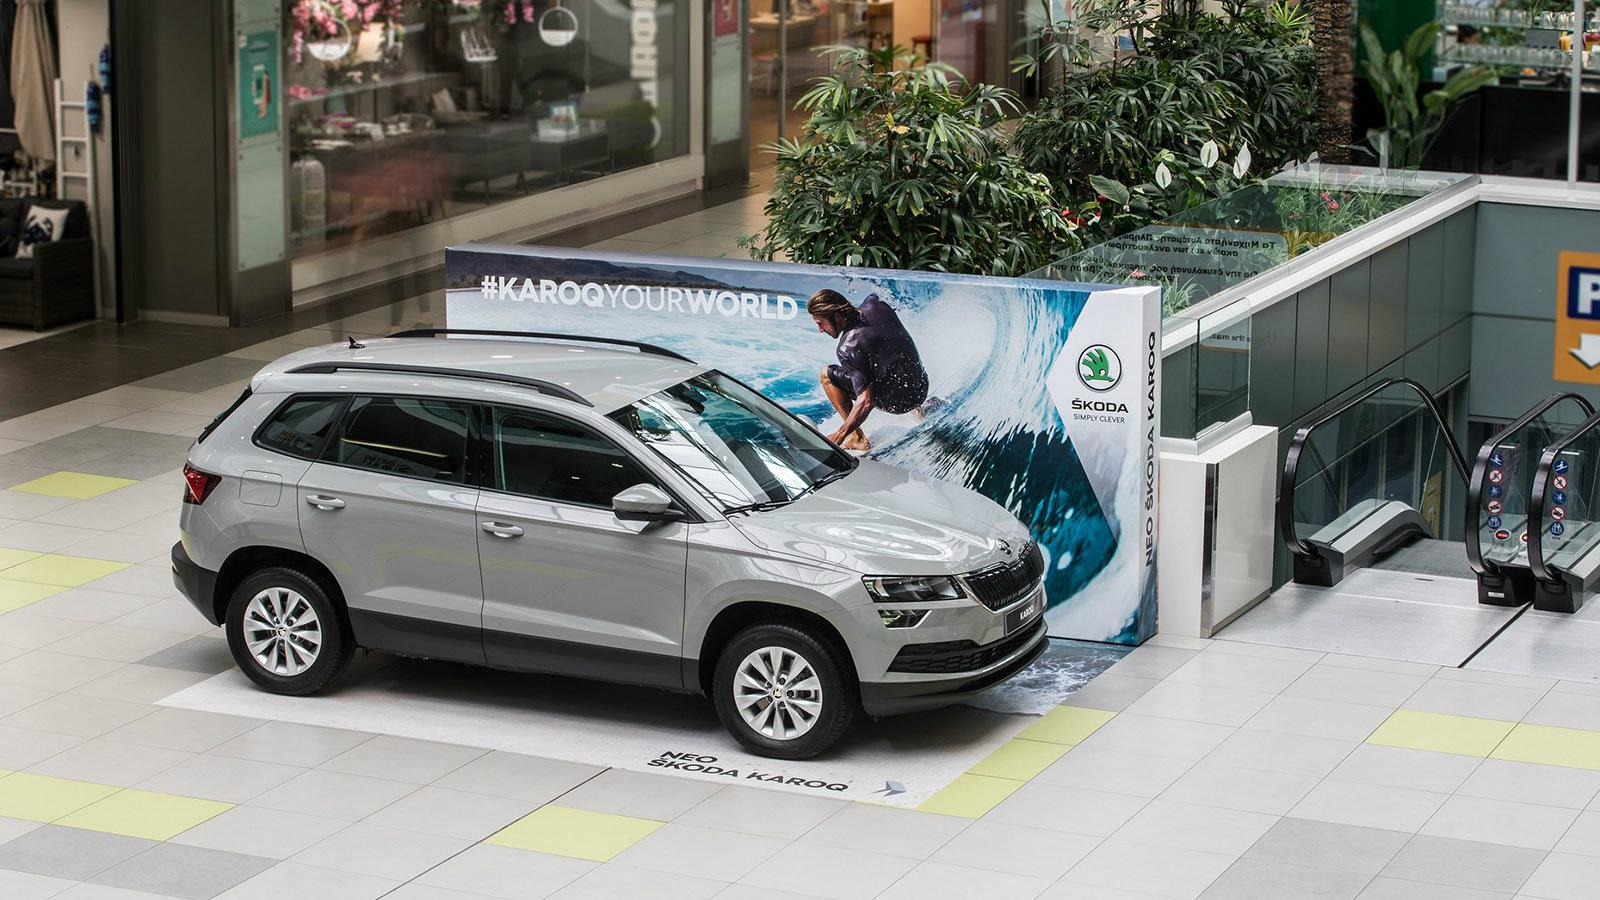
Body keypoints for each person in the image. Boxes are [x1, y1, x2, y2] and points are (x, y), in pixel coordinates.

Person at [808, 289, 930, 451]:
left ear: (836, 316)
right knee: (883, 352)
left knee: (826, 374)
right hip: (921, 388)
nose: (821, 329)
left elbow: (866, 401)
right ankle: (920, 410)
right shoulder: (876, 304)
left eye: (820, 323)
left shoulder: (847, 347)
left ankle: (857, 439)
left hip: (898, 403)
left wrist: (840, 434)